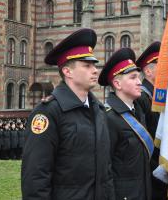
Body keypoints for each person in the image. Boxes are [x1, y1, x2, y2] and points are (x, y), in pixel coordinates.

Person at [21, 28, 114, 200]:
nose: (95, 70)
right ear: (67, 71)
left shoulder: (99, 111)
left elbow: (105, 172)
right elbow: (35, 177)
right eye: (87, 65)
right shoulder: (48, 113)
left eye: (94, 65)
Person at [99, 48, 152, 200]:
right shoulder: (108, 118)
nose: (139, 82)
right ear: (117, 83)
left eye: (138, 77)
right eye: (133, 77)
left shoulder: (137, 112)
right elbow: (104, 169)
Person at [136, 42, 168, 200]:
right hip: (154, 170)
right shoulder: (142, 97)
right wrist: (158, 169)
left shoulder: (159, 95)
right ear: (148, 71)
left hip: (164, 165)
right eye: (161, 65)